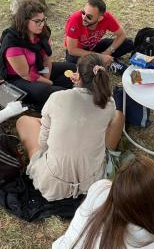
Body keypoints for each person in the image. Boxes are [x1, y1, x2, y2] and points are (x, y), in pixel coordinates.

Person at [16, 54, 125, 202]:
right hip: (92, 180)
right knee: (118, 116)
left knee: (24, 121)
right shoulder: (109, 103)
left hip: (53, 181)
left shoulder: (57, 97)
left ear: (78, 75)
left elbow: (43, 144)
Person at [0, 0, 76, 111]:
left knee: (72, 68)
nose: (42, 24)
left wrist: (46, 78)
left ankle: (52, 93)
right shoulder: (13, 43)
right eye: (37, 21)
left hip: (38, 69)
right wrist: (49, 83)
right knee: (46, 91)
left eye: (43, 20)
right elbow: (26, 75)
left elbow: (47, 58)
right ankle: (37, 101)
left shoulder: (43, 32)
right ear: (25, 21)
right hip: (18, 79)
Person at [64, 0, 134, 74]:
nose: (84, 17)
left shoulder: (107, 17)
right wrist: (100, 56)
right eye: (83, 12)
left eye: (89, 17)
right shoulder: (75, 19)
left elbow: (121, 35)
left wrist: (108, 52)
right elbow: (72, 50)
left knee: (128, 43)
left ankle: (102, 61)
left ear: (100, 18)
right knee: (76, 68)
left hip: (94, 47)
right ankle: (108, 63)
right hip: (78, 53)